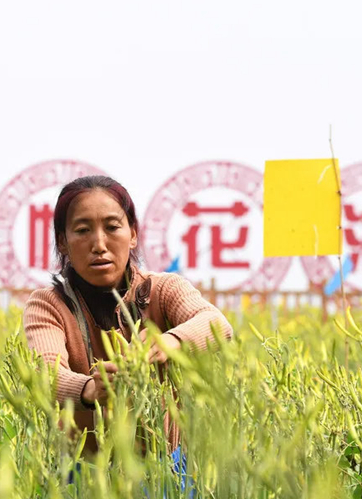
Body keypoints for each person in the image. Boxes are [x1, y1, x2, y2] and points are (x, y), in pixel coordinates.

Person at [22, 175, 233, 457]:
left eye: (112, 227)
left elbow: (217, 324)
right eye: (83, 230)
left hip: (166, 467)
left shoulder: (163, 289)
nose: (99, 244)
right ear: (62, 242)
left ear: (133, 234)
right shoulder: (48, 304)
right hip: (84, 469)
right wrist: (89, 389)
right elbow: (45, 373)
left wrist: (169, 342)